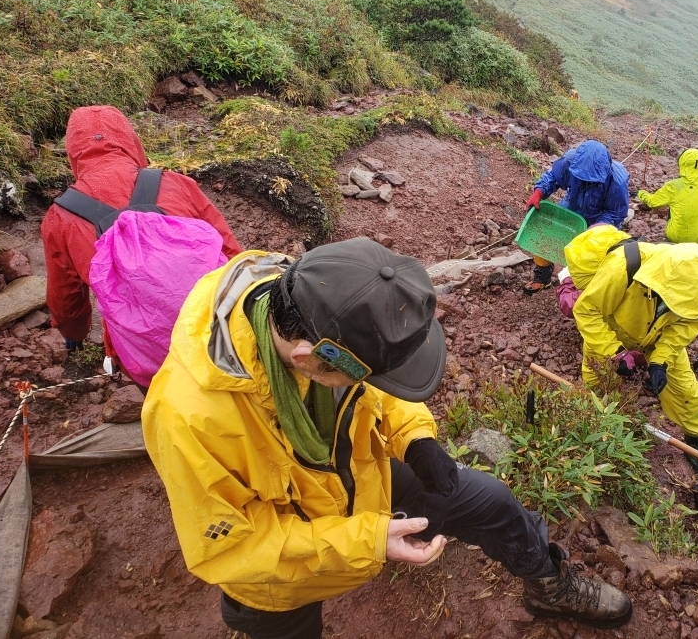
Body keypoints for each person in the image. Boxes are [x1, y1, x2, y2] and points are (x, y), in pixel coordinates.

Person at [141, 239, 632, 638]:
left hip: (358, 471)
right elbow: (230, 551)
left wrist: (415, 436)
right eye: (372, 373)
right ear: (311, 359)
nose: (378, 382)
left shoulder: (319, 294)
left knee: (492, 500)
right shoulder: (187, 416)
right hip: (276, 573)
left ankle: (547, 584)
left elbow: (377, 386)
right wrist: (368, 539)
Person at [42, 105, 241, 356]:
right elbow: (229, 250)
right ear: (131, 141)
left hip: (143, 352)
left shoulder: (60, 217)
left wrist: (74, 333)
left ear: (73, 152)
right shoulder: (176, 183)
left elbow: (66, 295)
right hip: (217, 330)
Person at [564, 231, 698, 468]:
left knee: (683, 386)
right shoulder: (622, 267)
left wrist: (660, 361)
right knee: (599, 382)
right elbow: (587, 311)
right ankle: (595, 425)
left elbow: (686, 326)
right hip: (613, 327)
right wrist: (615, 352)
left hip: (659, 335)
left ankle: (697, 436)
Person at [523, 139, 629, 294]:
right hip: (571, 207)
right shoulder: (569, 162)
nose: (586, 182)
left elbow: (616, 213)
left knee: (594, 253)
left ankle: (586, 287)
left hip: (600, 219)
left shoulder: (616, 181)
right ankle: (542, 278)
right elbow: (553, 177)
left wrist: (597, 228)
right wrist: (539, 192)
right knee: (547, 234)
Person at [637, 148, 698, 247]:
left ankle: (672, 240)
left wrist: (641, 193)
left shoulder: (673, 186)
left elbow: (652, 202)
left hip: (675, 237)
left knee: (674, 205)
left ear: (682, 164)